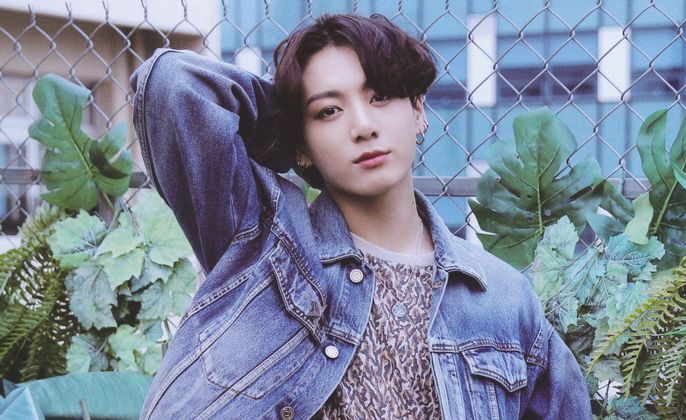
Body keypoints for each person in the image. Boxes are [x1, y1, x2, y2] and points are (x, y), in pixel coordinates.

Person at [130, 13, 591, 419]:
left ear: (418, 109)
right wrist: (288, 117)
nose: (363, 126)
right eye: (329, 111)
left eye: (381, 96)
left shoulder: (503, 299)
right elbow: (172, 84)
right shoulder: (265, 250)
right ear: (301, 144)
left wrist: (312, 117)